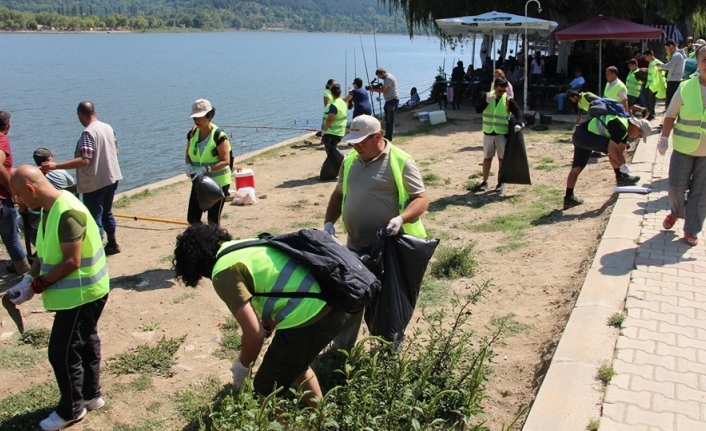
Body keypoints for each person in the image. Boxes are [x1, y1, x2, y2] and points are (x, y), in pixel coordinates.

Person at [172, 223, 347, 406]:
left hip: (311, 315)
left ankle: (279, 424)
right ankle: (322, 418)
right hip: (333, 300)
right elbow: (280, 283)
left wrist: (243, 367)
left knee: (265, 385)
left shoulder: (222, 272)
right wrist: (270, 321)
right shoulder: (242, 246)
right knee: (293, 365)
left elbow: (254, 334)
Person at [6, 164, 109, 431]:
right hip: (78, 293)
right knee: (85, 342)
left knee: (62, 351)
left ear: (30, 189)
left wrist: (37, 286)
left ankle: (72, 409)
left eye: (19, 197)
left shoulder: (67, 213)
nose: (19, 203)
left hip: (82, 293)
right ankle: (91, 395)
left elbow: (72, 261)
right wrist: (28, 279)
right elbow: (44, 252)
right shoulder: (49, 209)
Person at [322, 114, 428, 351]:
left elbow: (421, 199)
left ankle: (388, 348)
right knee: (350, 295)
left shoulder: (401, 161)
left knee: (388, 301)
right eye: (353, 142)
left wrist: (401, 219)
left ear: (378, 136)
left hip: (390, 248)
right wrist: (329, 222)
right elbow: (339, 194)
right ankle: (341, 349)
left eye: (361, 142)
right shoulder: (349, 161)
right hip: (356, 245)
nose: (356, 147)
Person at [41, 101, 123, 256]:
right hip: (112, 177)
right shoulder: (108, 128)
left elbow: (85, 160)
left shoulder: (88, 133)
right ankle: (112, 243)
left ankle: (97, 252)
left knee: (94, 218)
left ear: (81, 115)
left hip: (95, 182)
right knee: (107, 212)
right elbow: (115, 151)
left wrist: (55, 166)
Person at [656, 45, 706, 246]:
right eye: (704, 59)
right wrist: (664, 138)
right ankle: (677, 212)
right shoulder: (686, 87)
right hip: (683, 148)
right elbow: (670, 115)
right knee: (676, 187)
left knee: (701, 193)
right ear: (698, 61)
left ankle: (691, 229)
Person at [563, 114, 651, 209]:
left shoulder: (625, 128)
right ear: (637, 128)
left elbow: (621, 150)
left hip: (580, 135)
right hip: (584, 136)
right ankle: (621, 177)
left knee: (577, 167)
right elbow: (613, 151)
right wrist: (622, 167)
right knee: (611, 148)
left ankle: (568, 197)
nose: (638, 138)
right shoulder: (621, 127)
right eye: (640, 135)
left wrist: (624, 165)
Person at [183, 99, 232, 226]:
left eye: (200, 117)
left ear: (209, 116)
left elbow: (226, 161)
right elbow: (187, 154)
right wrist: (188, 164)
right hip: (199, 181)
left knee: (213, 221)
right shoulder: (193, 133)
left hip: (218, 183)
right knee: (192, 218)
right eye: (195, 118)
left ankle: (215, 243)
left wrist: (207, 169)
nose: (197, 121)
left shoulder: (218, 135)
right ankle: (202, 239)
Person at [474, 78, 523, 193]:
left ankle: (501, 182)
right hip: (488, 133)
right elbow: (477, 109)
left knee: (501, 159)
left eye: (504, 90)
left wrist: (519, 122)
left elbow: (518, 111)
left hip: (501, 134)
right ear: (495, 87)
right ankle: (484, 181)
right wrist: (487, 101)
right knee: (487, 158)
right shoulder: (486, 96)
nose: (502, 93)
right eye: (500, 91)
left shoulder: (508, 99)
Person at [0, 110, 31, 275]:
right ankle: (26, 273)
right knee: (11, 238)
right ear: (8, 126)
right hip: (2, 199)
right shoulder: (2, 139)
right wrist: (12, 188)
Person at [319, 84, 347, 180]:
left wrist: (323, 132)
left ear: (331, 93)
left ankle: (337, 169)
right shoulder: (342, 102)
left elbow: (330, 120)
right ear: (340, 93)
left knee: (332, 153)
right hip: (340, 132)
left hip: (332, 133)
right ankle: (336, 171)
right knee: (333, 153)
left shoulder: (333, 105)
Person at [368, 68, 399, 141]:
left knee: (390, 119)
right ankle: (387, 134)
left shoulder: (388, 78)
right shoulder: (386, 78)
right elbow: (384, 88)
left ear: (383, 73)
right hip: (388, 100)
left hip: (392, 100)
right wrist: (375, 87)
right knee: (387, 119)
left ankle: (389, 136)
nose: (379, 78)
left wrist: (373, 89)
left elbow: (383, 90)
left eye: (379, 76)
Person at [660, 39, 686, 110]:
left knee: (671, 102)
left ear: (671, 46)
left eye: (667, 48)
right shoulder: (678, 54)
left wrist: (659, 65)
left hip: (674, 81)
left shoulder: (677, 55)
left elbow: (668, 66)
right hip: (675, 80)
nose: (667, 51)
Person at [643, 49, 665, 121]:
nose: (645, 59)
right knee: (647, 100)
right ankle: (650, 113)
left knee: (651, 100)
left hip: (654, 85)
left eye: (645, 57)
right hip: (649, 84)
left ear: (649, 55)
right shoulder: (651, 62)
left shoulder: (656, 62)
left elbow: (662, 70)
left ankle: (652, 114)